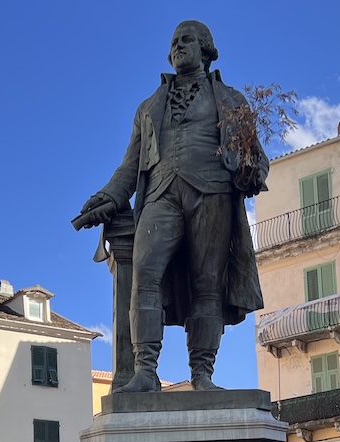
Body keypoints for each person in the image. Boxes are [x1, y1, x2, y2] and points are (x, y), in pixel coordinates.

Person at [73, 20, 266, 392]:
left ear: (206, 49)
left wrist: (250, 171)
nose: (178, 46)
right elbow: (129, 167)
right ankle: (145, 371)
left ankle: (202, 375)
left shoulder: (233, 101)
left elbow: (255, 158)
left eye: (187, 40)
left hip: (212, 193)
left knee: (208, 284)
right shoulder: (148, 107)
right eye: (174, 42)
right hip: (160, 194)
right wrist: (109, 196)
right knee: (144, 276)